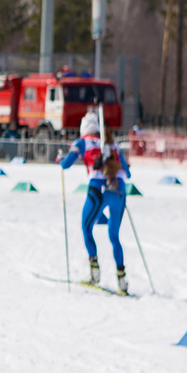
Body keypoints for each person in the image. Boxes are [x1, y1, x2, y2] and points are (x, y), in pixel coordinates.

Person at [58, 109, 130, 292]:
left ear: (84, 129)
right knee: (114, 236)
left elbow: (66, 164)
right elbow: (127, 172)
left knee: (86, 227)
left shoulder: (82, 142)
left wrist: (61, 159)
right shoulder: (111, 144)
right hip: (119, 189)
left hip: (98, 188)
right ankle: (122, 282)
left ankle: (95, 274)